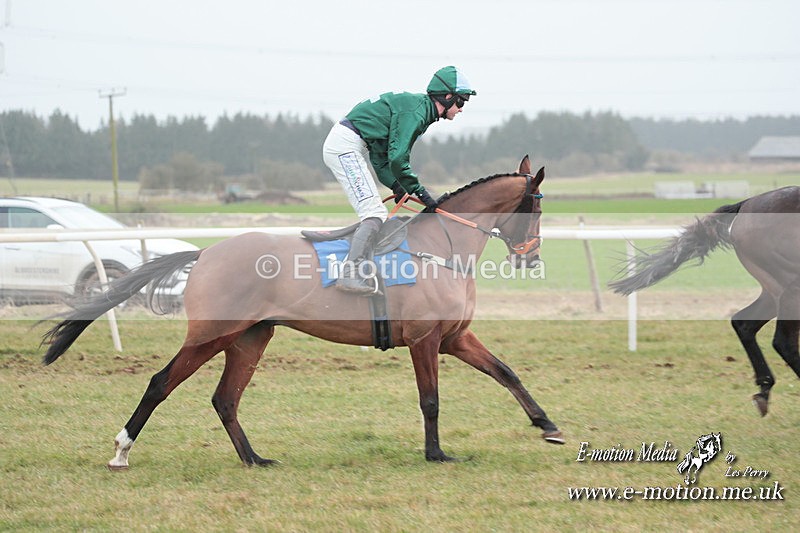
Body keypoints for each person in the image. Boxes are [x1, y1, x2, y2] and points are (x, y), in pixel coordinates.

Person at [322, 65, 477, 295]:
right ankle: (349, 275)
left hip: (350, 144)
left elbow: (381, 158)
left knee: (375, 213)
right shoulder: (415, 113)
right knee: (373, 213)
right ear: (447, 97)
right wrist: (420, 192)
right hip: (345, 147)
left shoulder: (420, 111)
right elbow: (397, 159)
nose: (461, 109)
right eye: (461, 102)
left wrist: (396, 186)